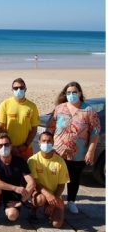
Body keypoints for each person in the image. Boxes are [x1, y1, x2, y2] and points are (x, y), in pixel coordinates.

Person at [46, 81, 101, 214]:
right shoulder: (59, 108)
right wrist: (48, 145)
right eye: (69, 92)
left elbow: (95, 132)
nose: (71, 95)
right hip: (58, 151)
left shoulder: (88, 110)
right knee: (55, 176)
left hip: (78, 153)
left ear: (80, 93)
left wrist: (91, 151)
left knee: (74, 177)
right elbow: (50, 128)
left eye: (74, 92)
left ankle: (71, 201)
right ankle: (55, 200)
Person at [0, 133, 36, 226]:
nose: (3, 147)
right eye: (0, 145)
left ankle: (8, 208)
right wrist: (15, 188)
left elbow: (31, 183)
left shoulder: (20, 161)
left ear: (11, 146)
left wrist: (21, 201)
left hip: (13, 196)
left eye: (6, 145)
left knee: (12, 216)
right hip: (1, 190)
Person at [27, 131, 70, 228]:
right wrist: (47, 195)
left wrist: (53, 202)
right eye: (44, 141)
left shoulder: (60, 162)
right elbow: (35, 184)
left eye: (49, 141)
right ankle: (33, 211)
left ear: (53, 143)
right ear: (39, 142)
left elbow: (62, 185)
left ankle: (49, 210)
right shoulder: (33, 160)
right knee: (40, 199)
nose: (46, 144)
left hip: (55, 194)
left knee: (57, 224)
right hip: (39, 192)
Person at [0, 78, 40, 161]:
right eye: (16, 88)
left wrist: (25, 145)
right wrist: (9, 145)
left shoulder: (32, 106)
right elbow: (1, 127)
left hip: (26, 148)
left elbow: (34, 129)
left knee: (26, 173)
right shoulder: (5, 104)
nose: (18, 90)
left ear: (25, 89)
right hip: (8, 148)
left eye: (21, 88)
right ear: (12, 90)